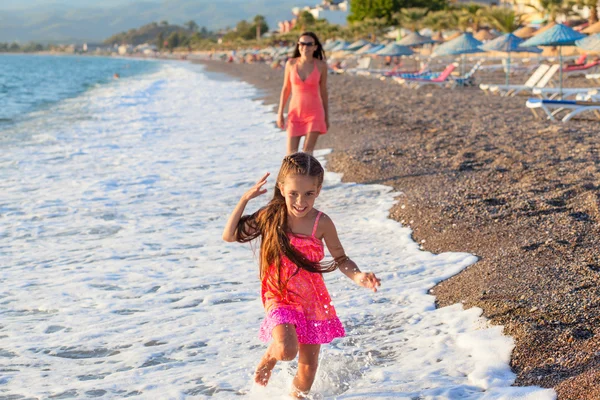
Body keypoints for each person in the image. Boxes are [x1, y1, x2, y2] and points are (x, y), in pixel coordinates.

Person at [222, 153, 381, 398]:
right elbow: (230, 235)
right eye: (294, 193)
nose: (300, 201)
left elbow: (341, 259)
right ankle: (269, 358)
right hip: (278, 294)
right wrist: (245, 199)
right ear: (282, 188)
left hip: (312, 299)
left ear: (318, 190)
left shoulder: (322, 222)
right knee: (286, 350)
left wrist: (359, 276)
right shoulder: (271, 216)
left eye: (309, 193)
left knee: (308, 371)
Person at [277, 32, 329, 155]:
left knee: (307, 154)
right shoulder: (291, 64)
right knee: (290, 157)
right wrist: (280, 113)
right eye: (302, 44)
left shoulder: (321, 66)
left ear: (315, 47)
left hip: (314, 114)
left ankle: (310, 174)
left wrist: (326, 116)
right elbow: (286, 89)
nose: (305, 47)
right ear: (298, 45)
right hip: (294, 114)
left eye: (309, 44)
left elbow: (324, 92)